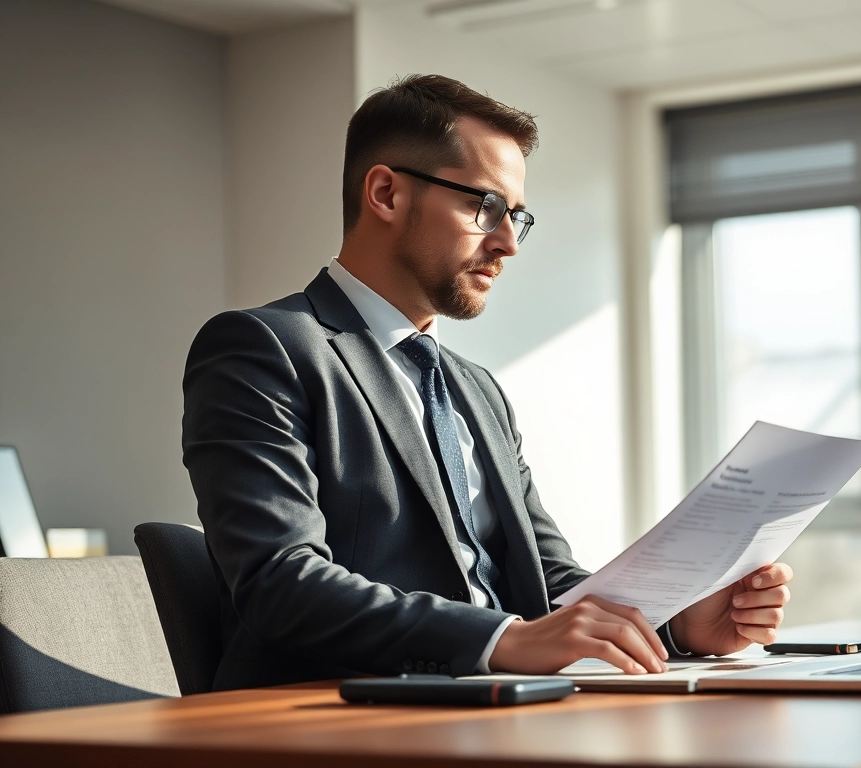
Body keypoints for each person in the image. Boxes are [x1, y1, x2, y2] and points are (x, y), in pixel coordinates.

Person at [182, 75, 793, 691]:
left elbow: (550, 581)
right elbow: (280, 582)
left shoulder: (477, 391)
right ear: (387, 193)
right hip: (329, 718)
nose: (507, 243)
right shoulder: (264, 348)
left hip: (498, 707)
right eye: (486, 207)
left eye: (517, 217)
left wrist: (674, 627)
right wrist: (501, 639)